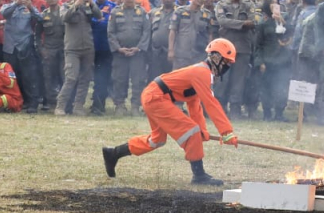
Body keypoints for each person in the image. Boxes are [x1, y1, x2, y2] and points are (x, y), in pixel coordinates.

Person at [101, 39, 240, 186]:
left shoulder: (202, 73)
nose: (227, 66)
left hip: (154, 96)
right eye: (226, 62)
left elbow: (194, 103)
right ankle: (199, 176)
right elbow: (211, 104)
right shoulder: (202, 73)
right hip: (156, 97)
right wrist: (226, 132)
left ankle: (113, 153)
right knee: (191, 132)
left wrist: (203, 131)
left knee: (157, 140)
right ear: (216, 58)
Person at [55, 0, 97, 115]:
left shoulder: (88, 5)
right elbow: (64, 18)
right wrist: (76, 4)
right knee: (71, 78)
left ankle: (78, 106)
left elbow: (99, 15)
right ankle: (60, 105)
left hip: (88, 47)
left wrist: (92, 3)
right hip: (72, 48)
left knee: (85, 79)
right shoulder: (65, 6)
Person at [108, 0, 151, 114]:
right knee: (119, 79)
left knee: (138, 80)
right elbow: (110, 33)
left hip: (137, 54)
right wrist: (118, 48)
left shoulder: (142, 12)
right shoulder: (115, 12)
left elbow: (146, 32)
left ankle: (135, 106)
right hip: (120, 53)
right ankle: (120, 105)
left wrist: (138, 48)